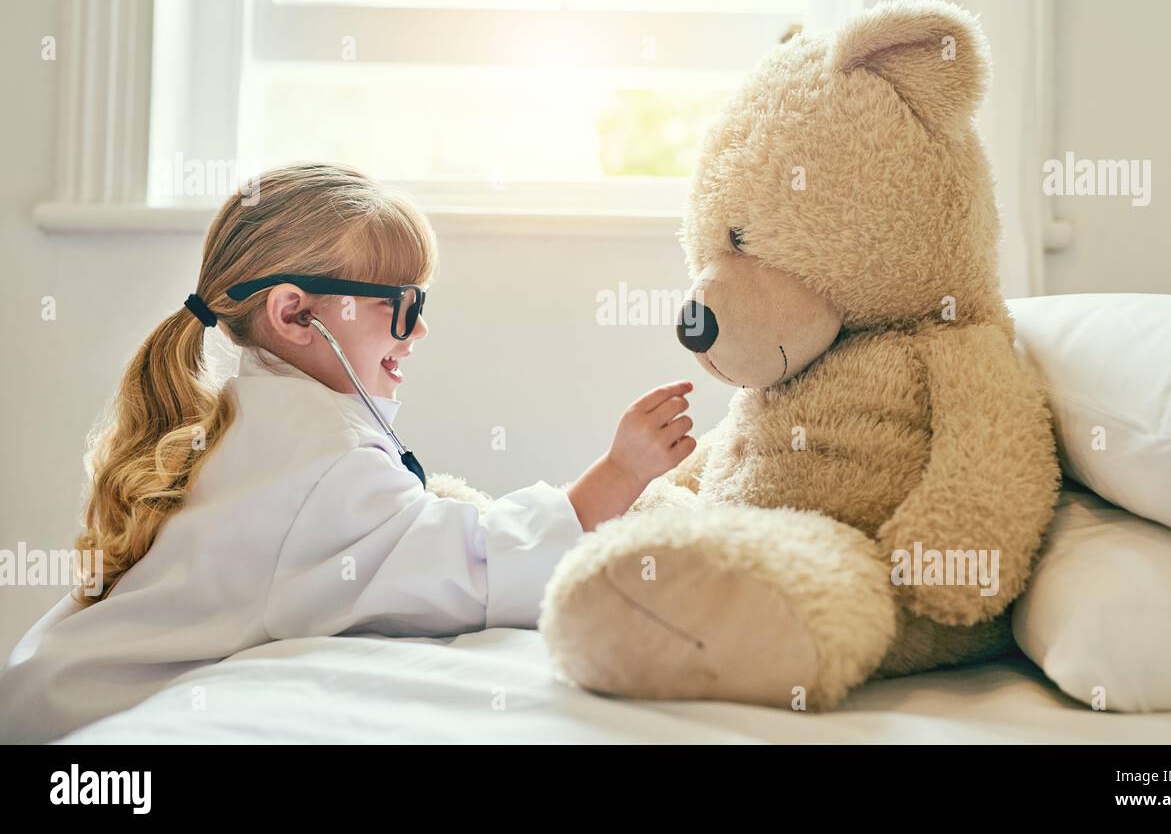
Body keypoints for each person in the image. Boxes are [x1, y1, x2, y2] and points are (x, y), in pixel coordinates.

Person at [0, 162, 695, 743]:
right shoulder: (321, 463)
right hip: (72, 723)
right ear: (296, 313)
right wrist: (619, 473)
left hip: (50, 687)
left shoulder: (253, 420)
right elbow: (478, 567)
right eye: (401, 302)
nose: (419, 328)